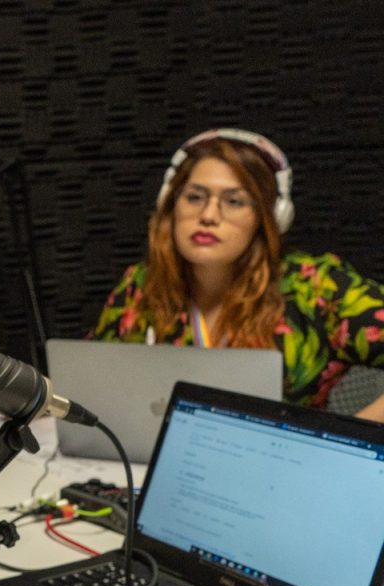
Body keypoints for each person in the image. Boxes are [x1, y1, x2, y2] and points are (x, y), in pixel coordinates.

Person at [92, 128, 384, 410]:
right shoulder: (141, 285)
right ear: (170, 205)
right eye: (195, 197)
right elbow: (92, 383)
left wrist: (356, 433)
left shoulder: (315, 287)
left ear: (270, 216)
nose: (208, 215)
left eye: (234, 201)